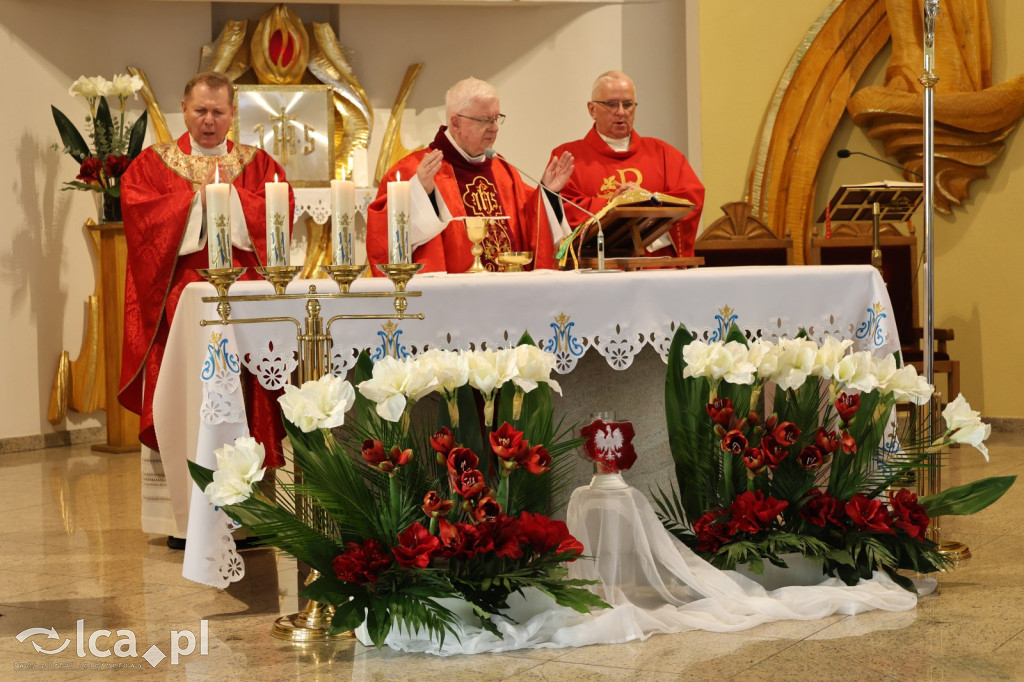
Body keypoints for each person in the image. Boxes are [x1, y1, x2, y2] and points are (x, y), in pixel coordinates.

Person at [118, 71, 293, 540]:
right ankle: (184, 520)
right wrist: (197, 205)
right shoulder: (153, 164)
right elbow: (139, 218)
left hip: (246, 304)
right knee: (187, 399)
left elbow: (277, 210)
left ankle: (251, 517)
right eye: (201, 111)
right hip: (179, 306)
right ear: (184, 109)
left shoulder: (259, 165)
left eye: (219, 111)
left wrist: (229, 199)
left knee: (248, 397)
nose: (210, 121)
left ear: (233, 114)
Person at [366, 77, 574, 274]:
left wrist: (547, 194)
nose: (494, 128)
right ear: (455, 123)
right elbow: (383, 239)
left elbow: (528, 222)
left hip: (507, 293)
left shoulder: (502, 169)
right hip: (450, 299)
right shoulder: (413, 171)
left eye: (496, 119)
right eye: (485, 120)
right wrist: (422, 194)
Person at [550, 71, 705, 257]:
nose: (621, 112)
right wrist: (613, 205)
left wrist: (649, 200)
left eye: (628, 104)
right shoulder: (568, 157)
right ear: (592, 110)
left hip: (657, 267)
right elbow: (561, 208)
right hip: (596, 270)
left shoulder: (663, 153)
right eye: (612, 104)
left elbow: (691, 198)